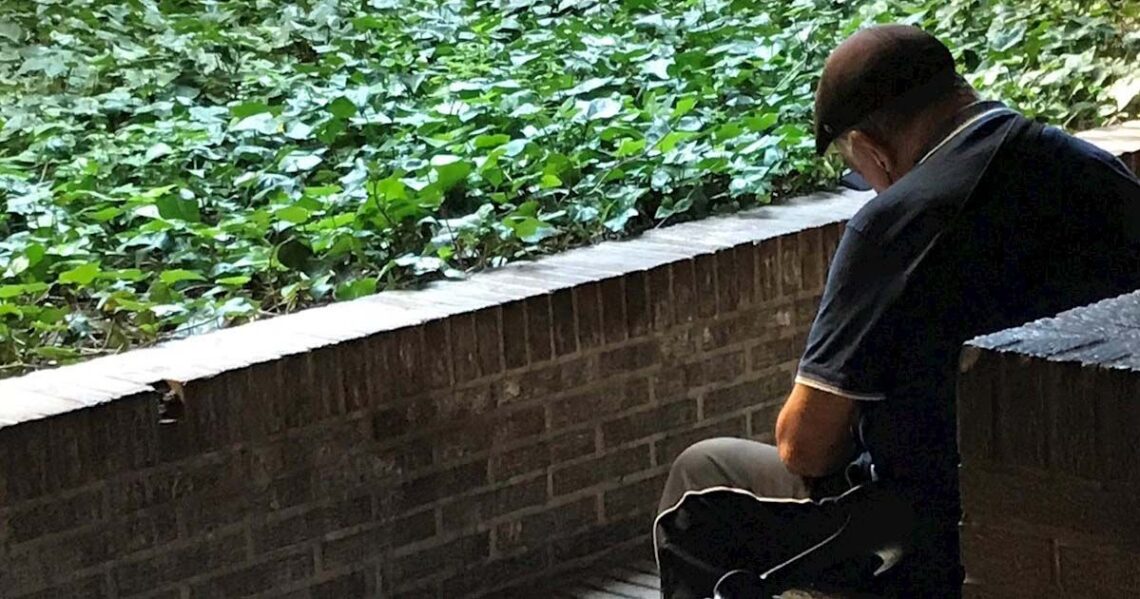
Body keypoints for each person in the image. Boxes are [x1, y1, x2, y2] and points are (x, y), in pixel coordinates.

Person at [654, 24, 1140, 599]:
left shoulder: (896, 226)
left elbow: (805, 446)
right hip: (1095, 489)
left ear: (870, 148)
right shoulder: (1097, 173)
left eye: (856, 169)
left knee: (702, 471)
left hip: (918, 527)